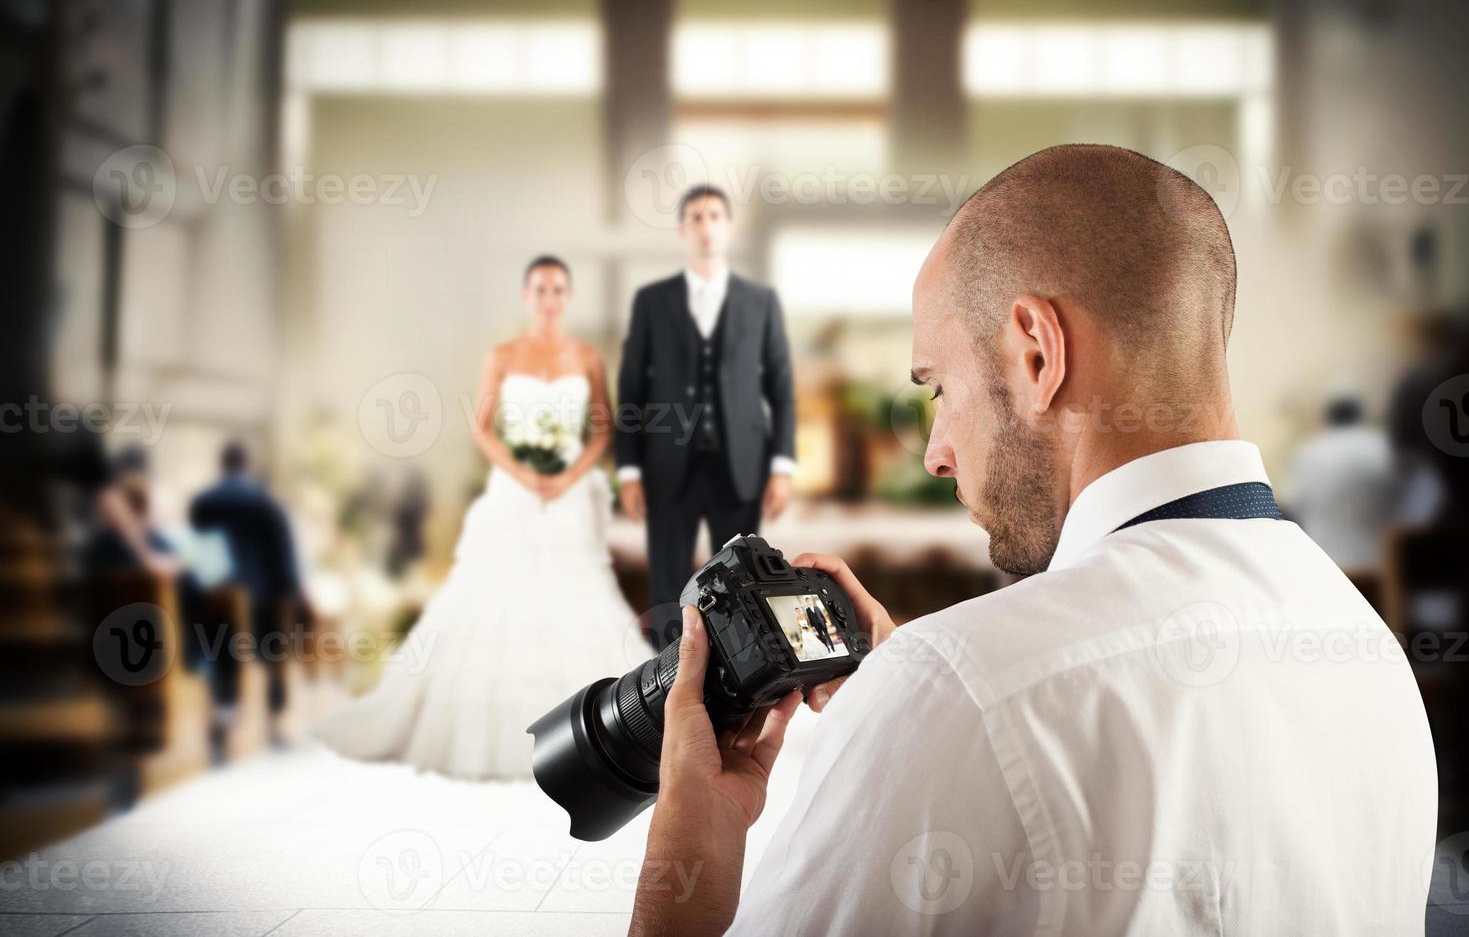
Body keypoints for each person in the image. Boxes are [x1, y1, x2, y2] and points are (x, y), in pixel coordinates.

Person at [629, 146, 1437, 935]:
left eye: (939, 388)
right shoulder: (1369, 648)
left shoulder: (953, 690)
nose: (935, 451)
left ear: (1037, 353)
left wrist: (683, 872)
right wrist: (920, 701)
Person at [312, 256, 637, 779]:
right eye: (540, 289)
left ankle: (593, 730)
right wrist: (524, 473)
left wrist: (568, 474)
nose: (549, 298)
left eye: (558, 289)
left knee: (573, 594)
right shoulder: (503, 355)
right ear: (526, 295)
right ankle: (496, 733)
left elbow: (600, 428)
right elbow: (482, 427)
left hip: (569, 492)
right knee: (496, 594)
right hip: (515, 488)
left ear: (568, 297)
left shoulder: (586, 357)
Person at [616, 185, 796, 650]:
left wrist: (782, 467)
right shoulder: (652, 301)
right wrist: (630, 470)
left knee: (739, 579)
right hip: (667, 466)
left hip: (740, 467)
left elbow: (780, 388)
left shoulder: (761, 302)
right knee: (669, 582)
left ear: (727, 227)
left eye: (714, 216)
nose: (705, 225)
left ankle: (738, 675)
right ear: (682, 229)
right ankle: (665, 684)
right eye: (695, 217)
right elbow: (632, 387)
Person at [190, 441, 309, 735]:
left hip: (217, 591)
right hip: (262, 594)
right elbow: (283, 551)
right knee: (273, 643)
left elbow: (195, 545)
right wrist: (292, 590)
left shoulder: (204, 502)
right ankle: (276, 703)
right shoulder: (265, 501)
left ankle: (226, 703)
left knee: (219, 644)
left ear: (221, 464)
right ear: (246, 465)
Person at [1286, 396, 1396, 570]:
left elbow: (1294, 505)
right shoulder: (1380, 446)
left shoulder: (1310, 453)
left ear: (1328, 418)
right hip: (1379, 561)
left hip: (1326, 560)